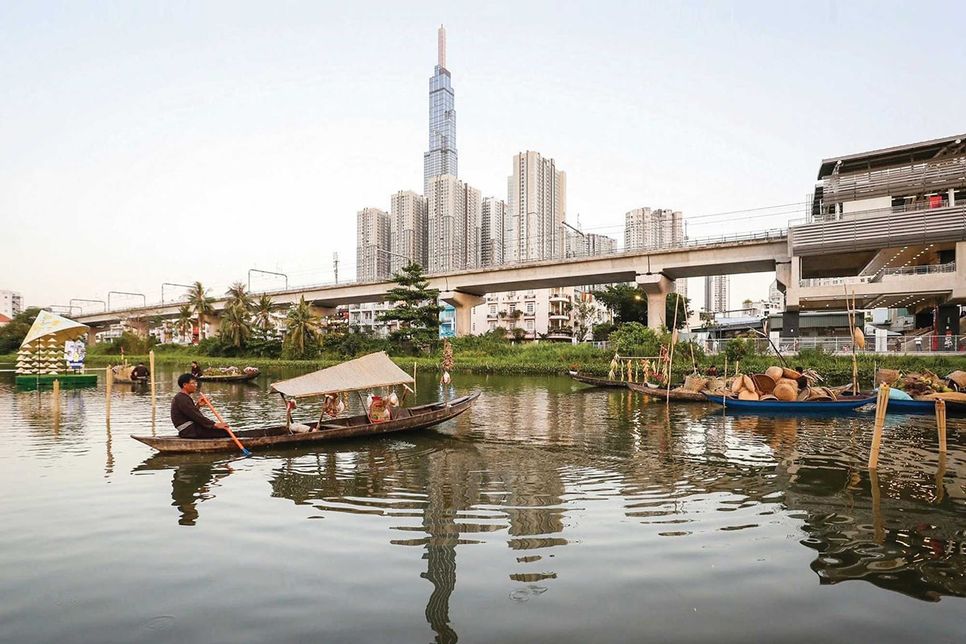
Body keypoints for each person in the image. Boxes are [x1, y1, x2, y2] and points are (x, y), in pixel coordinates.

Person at [171, 373, 228, 438]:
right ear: (185, 385)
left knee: (223, 430)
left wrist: (198, 406)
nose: (196, 385)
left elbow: (190, 414)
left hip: (190, 429)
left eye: (196, 383)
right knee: (223, 432)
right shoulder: (181, 398)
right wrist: (214, 425)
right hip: (189, 431)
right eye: (193, 383)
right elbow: (196, 416)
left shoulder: (183, 397)